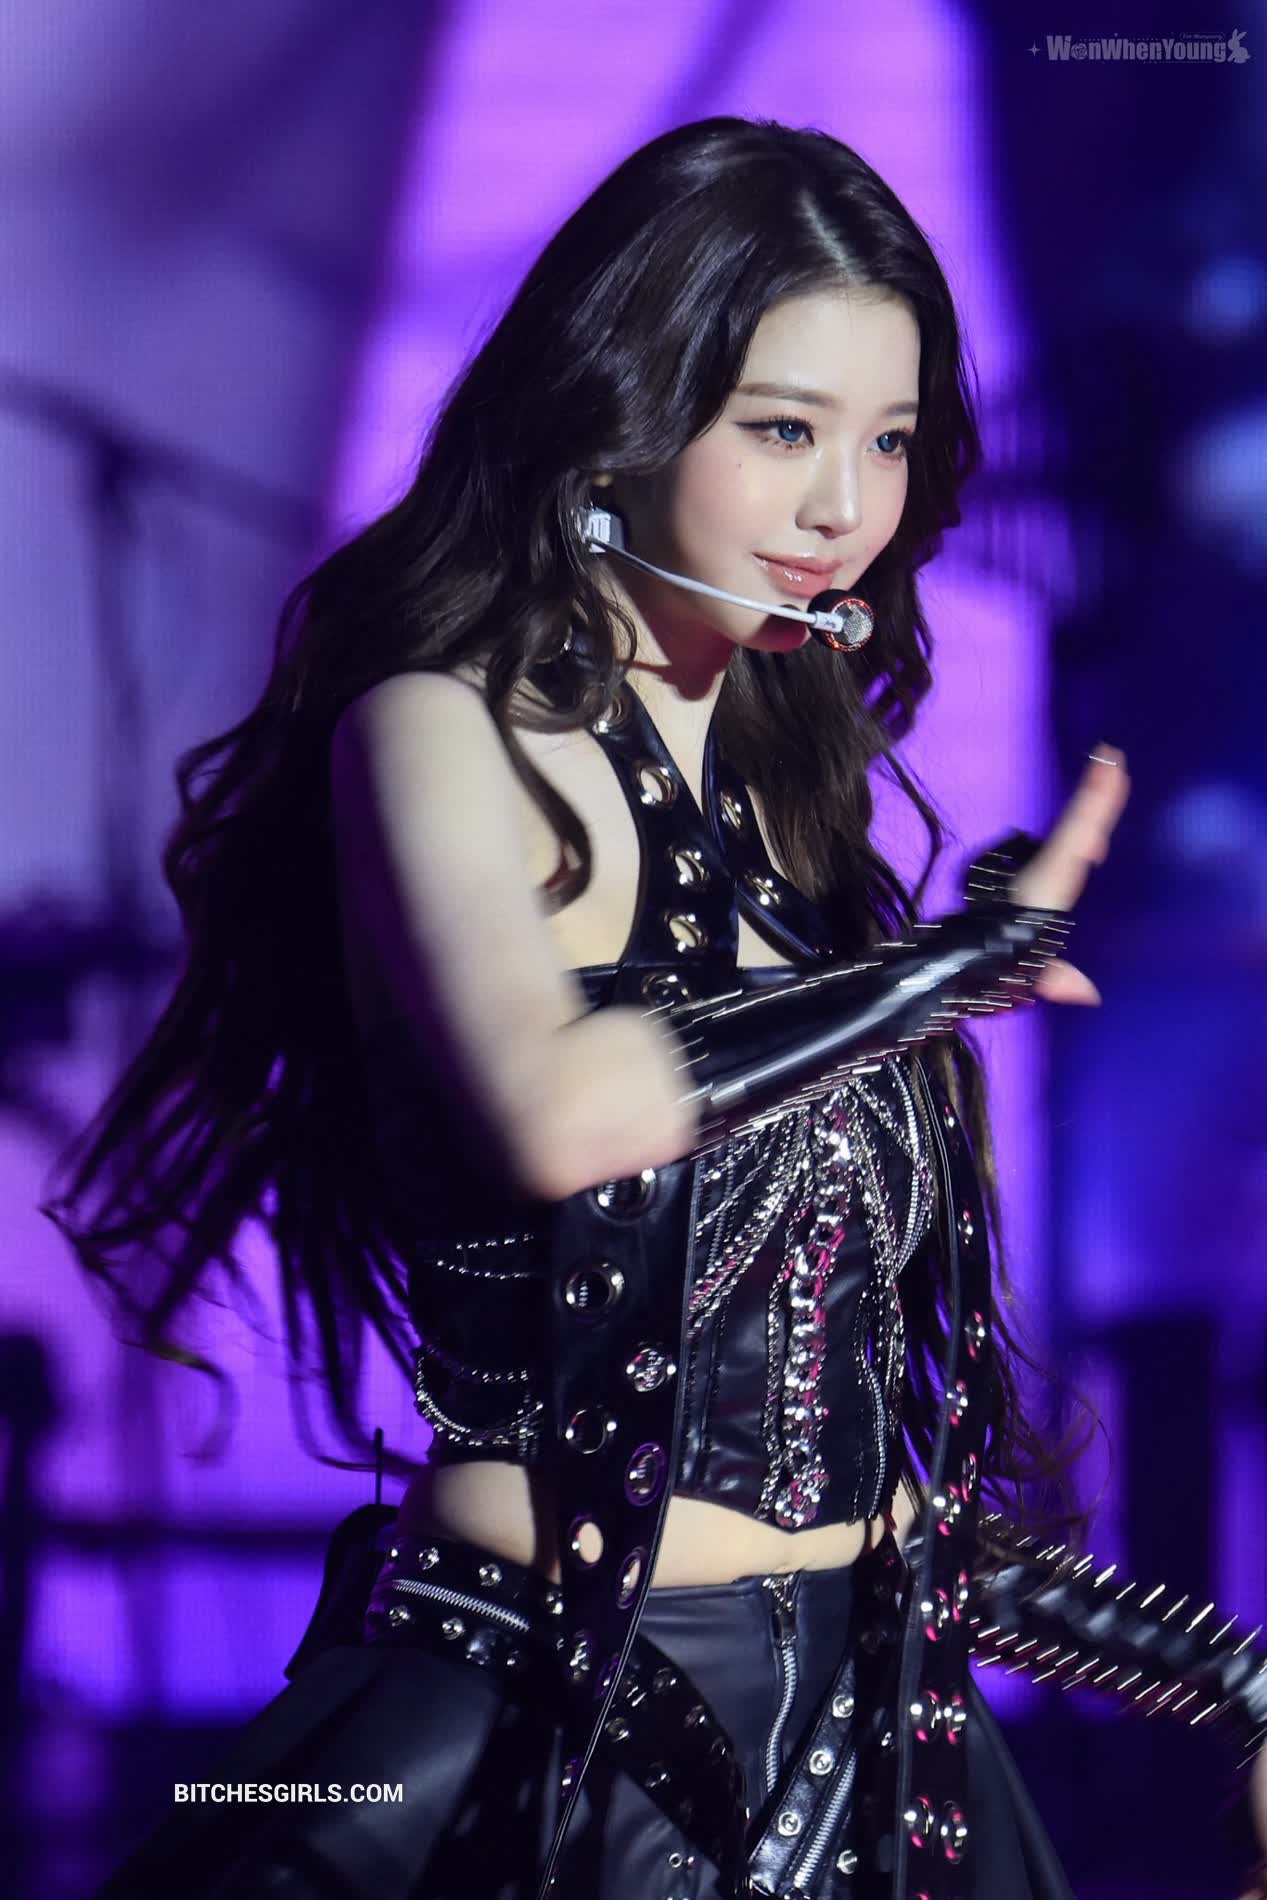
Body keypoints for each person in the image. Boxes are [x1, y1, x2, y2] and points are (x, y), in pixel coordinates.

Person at [41, 116, 1266, 1900]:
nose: (848, 509)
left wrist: (1225, 1678)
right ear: (620, 416)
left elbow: (856, 1486)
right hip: (532, 1727)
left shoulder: (799, 822)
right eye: (783, 430)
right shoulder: (435, 730)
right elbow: (559, 1108)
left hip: (881, 1747)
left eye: (891, 440)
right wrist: (940, 970)